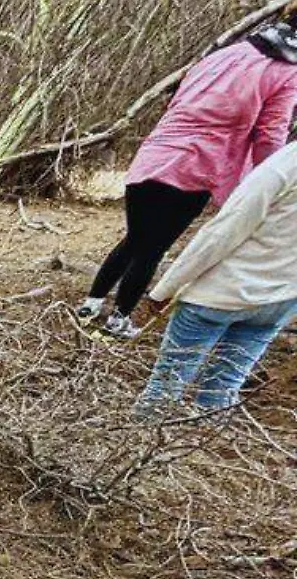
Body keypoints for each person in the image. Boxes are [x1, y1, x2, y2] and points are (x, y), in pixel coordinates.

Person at [77, 19, 297, 340]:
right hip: (196, 167)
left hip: (153, 155)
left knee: (135, 239)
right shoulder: (287, 73)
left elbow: (177, 99)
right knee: (153, 247)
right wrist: (268, 180)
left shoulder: (225, 54)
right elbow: (270, 134)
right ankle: (118, 320)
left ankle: (91, 305)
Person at [136, 141, 297, 418]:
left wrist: (164, 290)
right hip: (279, 301)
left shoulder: (283, 167)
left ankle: (138, 448)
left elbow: (222, 233)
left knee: (164, 390)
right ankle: (200, 450)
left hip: (220, 295)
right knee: (221, 392)